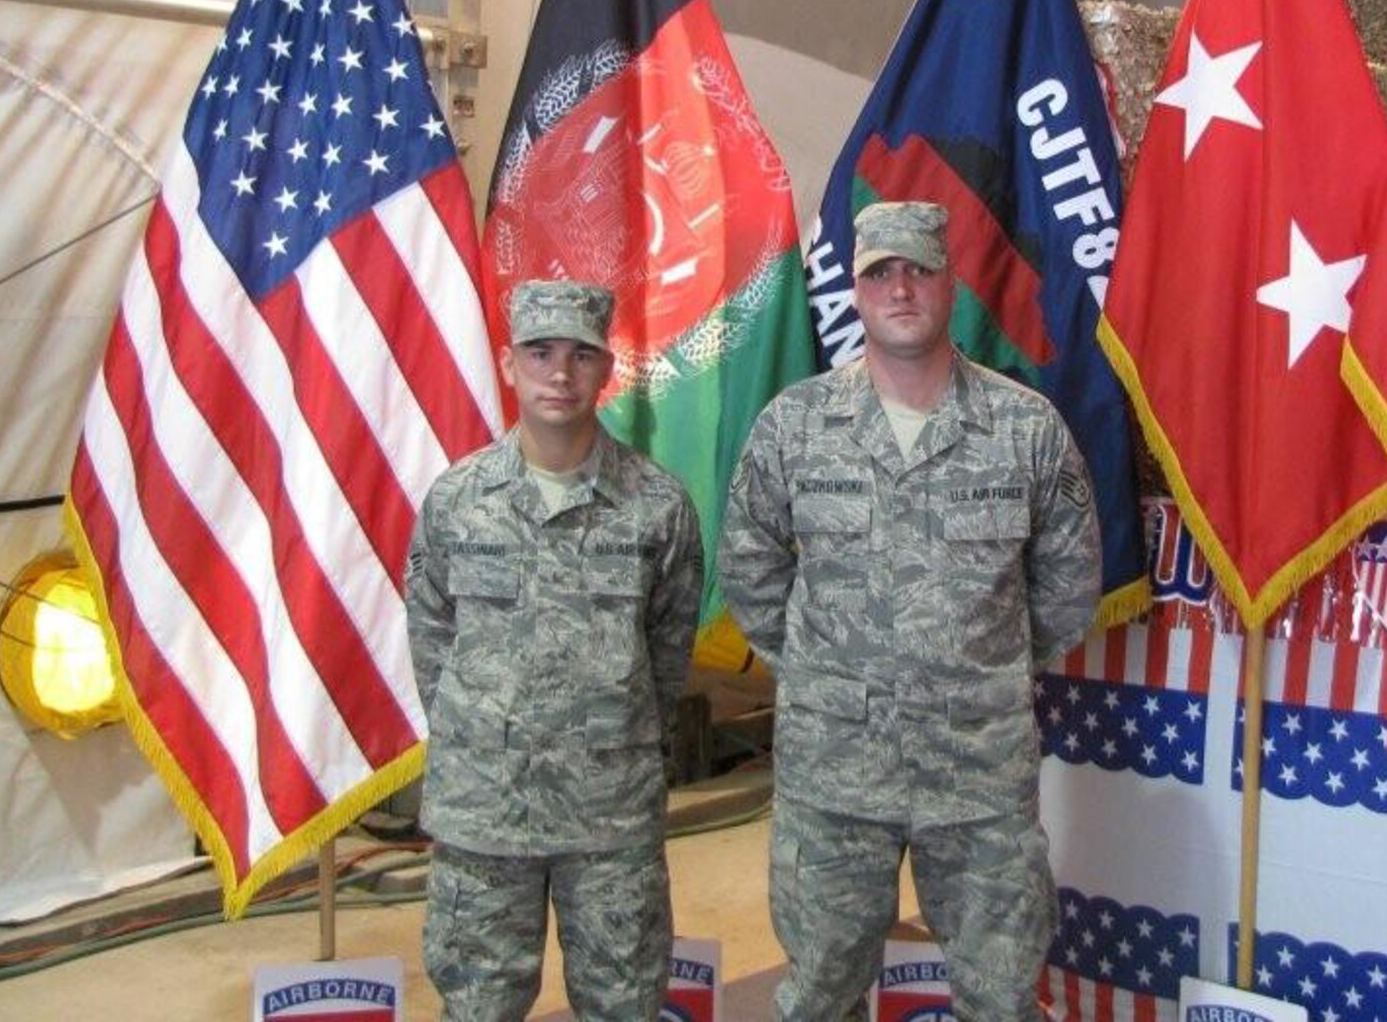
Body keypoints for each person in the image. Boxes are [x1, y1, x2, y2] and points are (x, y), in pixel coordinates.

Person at [722, 199, 1102, 1020]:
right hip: (834, 775)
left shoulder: (1024, 429)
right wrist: (829, 671)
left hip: (979, 780)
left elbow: (1068, 590)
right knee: (820, 993)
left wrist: (974, 665)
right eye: (880, 272)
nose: (900, 288)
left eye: (919, 269)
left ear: (950, 282)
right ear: (855, 291)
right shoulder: (796, 427)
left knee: (1001, 999)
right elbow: (749, 572)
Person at [406, 279, 701, 1021]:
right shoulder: (457, 500)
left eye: (581, 355)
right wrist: (485, 741)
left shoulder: (657, 506)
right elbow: (432, 641)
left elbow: (667, 653)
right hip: (484, 814)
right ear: (509, 365)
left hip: (610, 817)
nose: (560, 374)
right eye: (540, 353)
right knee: (477, 1005)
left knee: (624, 1002)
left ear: (608, 369)